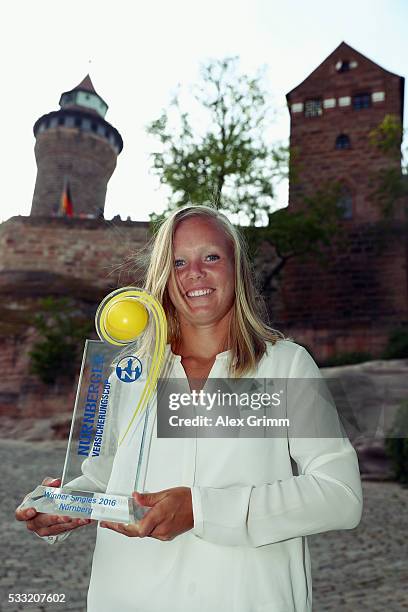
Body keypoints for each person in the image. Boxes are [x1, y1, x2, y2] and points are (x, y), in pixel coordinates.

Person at [16, 205, 363, 611]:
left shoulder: (285, 365)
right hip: (127, 597)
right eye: (178, 261)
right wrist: (60, 507)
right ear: (163, 275)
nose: (193, 273)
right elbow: (104, 478)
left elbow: (339, 495)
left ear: (238, 270)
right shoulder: (128, 375)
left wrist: (202, 510)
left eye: (210, 257)